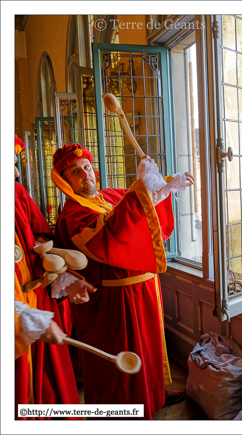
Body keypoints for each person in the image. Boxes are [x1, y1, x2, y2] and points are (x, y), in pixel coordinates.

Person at [51, 143, 194, 419]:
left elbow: (139, 210)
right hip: (114, 302)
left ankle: (154, 395)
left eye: (87, 168)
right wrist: (144, 187)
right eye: (75, 172)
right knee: (123, 360)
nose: (86, 175)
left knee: (150, 349)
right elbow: (110, 234)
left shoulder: (108, 195)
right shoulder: (73, 215)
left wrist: (163, 188)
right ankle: (127, 413)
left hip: (142, 289)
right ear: (65, 182)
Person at [14, 135, 96, 419]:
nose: (15, 172)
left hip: (36, 307)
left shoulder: (16, 194)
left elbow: (38, 249)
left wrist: (65, 279)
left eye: (14, 163)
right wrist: (23, 317)